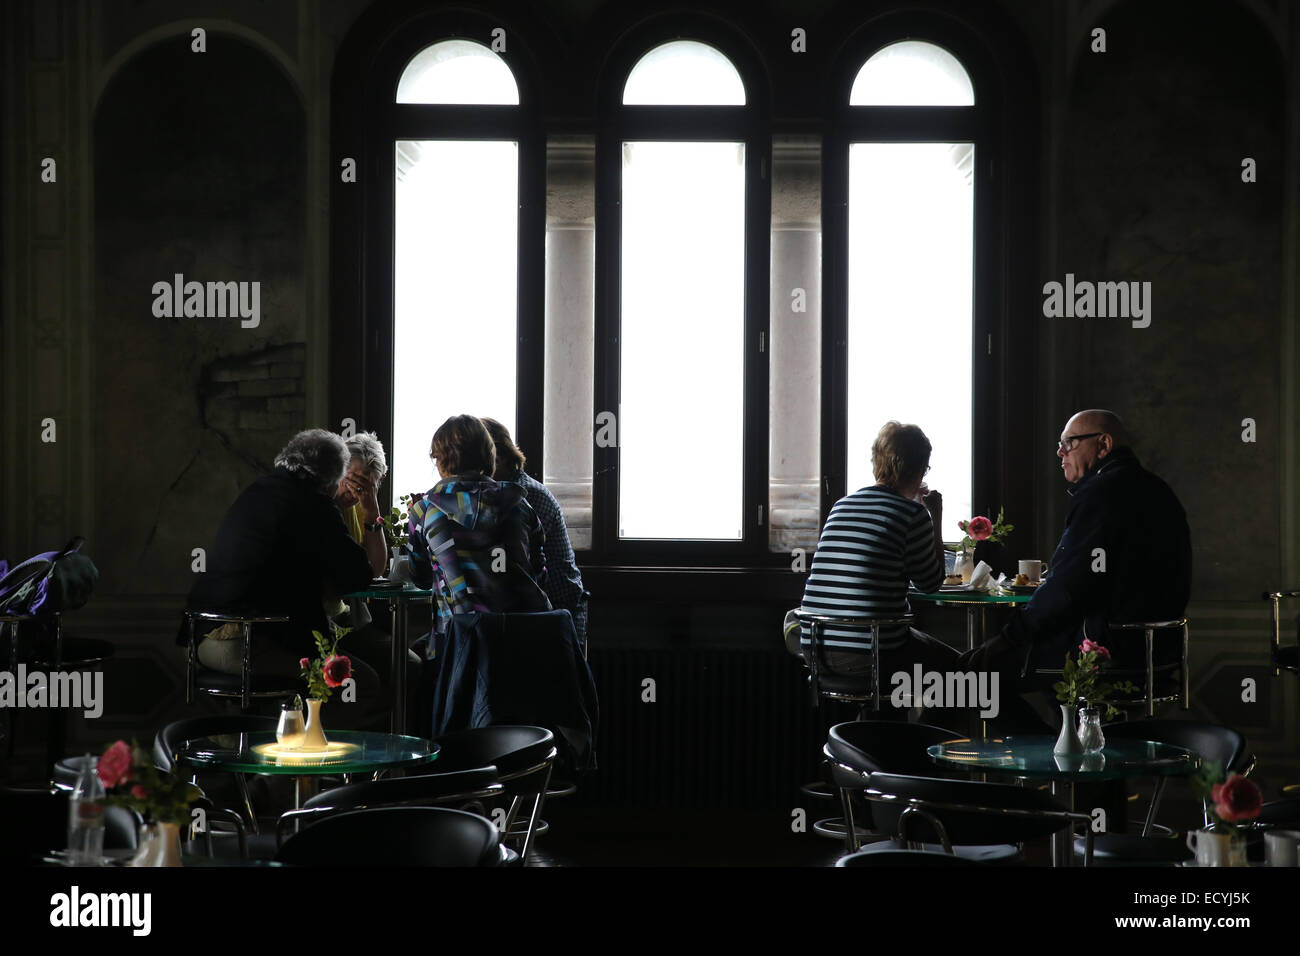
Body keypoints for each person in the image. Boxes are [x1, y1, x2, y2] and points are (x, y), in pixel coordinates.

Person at [958, 409, 1192, 726]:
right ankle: (1074, 757)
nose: (1060, 452)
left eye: (1068, 443)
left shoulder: (1102, 492)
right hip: (1159, 654)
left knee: (972, 681)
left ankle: (1059, 762)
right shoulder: (1159, 490)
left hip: (1107, 654)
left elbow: (1070, 587)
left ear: (1103, 444)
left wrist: (1009, 636)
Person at [183, 428, 383, 728]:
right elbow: (359, 577)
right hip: (246, 644)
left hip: (202, 637)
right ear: (332, 477)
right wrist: (369, 513)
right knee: (363, 685)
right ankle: (297, 770)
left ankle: (281, 764)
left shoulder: (261, 489)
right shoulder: (315, 504)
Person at [797, 422, 959, 715]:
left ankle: (875, 746)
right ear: (920, 468)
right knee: (967, 676)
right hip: (869, 652)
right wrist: (935, 514)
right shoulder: (913, 514)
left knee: (913, 661)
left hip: (815, 647)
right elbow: (931, 583)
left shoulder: (842, 506)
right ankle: (934, 752)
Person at [408, 415, 550, 649]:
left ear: (441, 459)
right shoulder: (519, 505)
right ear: (488, 455)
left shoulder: (425, 511)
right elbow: (538, 572)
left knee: (415, 663)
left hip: (459, 645)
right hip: (525, 641)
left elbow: (420, 578)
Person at [480, 417, 589, 651]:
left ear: (499, 457)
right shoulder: (504, 494)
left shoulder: (524, 496)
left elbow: (518, 569)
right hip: (537, 611)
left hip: (556, 613)